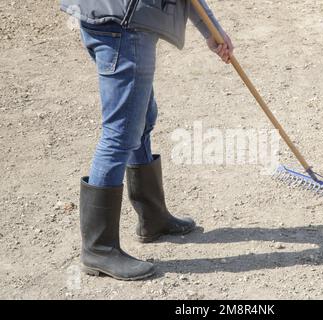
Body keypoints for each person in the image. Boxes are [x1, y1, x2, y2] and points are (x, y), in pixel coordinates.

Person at [60, 0, 234, 281]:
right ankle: (99, 248)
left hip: (108, 16)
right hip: (123, 25)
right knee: (121, 132)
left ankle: (152, 217)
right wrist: (211, 29)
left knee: (140, 118)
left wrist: (211, 30)